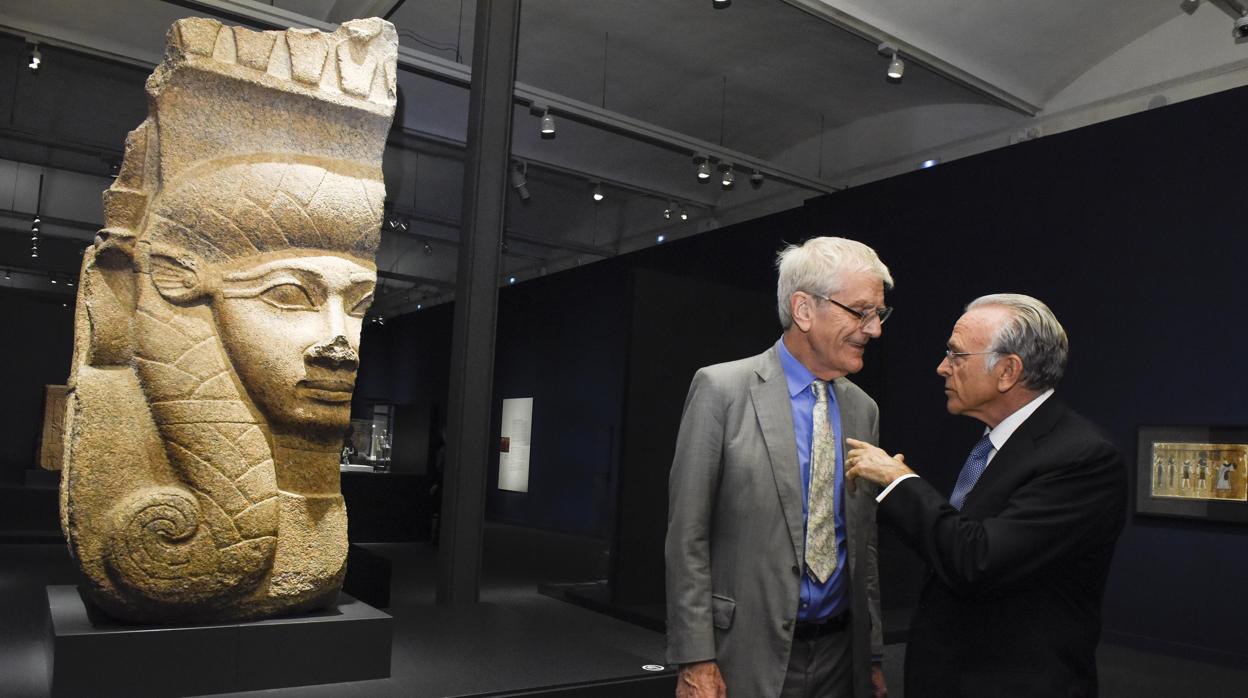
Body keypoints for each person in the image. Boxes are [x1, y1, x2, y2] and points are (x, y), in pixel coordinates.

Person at [845, 293, 1126, 698]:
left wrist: (899, 481)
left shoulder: (1082, 458)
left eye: (956, 356)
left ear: (1008, 371)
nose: (942, 368)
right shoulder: (997, 445)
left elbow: (977, 559)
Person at [666, 237, 891, 698]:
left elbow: (862, 544)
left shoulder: (864, 409)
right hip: (743, 656)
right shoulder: (721, 390)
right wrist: (696, 658)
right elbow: (687, 535)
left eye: (879, 315)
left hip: (839, 658)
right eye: (861, 312)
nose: (874, 330)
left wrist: (870, 654)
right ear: (804, 309)